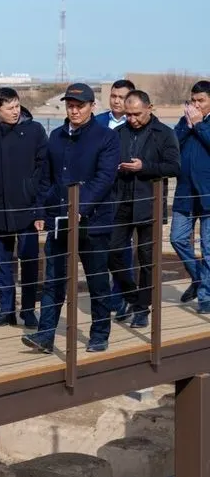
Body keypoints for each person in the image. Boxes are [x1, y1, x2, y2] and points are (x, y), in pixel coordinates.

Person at [22, 83, 119, 354]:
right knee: (53, 279)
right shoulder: (56, 136)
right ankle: (45, 335)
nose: (74, 111)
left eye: (80, 106)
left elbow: (104, 178)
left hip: (93, 221)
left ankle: (99, 333)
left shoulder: (106, 137)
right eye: (70, 106)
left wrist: (80, 207)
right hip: (59, 220)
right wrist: (40, 211)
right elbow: (46, 178)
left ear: (92, 106)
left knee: (97, 280)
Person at [107, 90, 180, 328]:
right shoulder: (118, 133)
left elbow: (174, 167)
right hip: (121, 203)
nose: (132, 119)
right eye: (128, 114)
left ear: (150, 108)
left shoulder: (164, 133)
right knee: (111, 251)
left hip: (149, 204)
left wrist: (144, 167)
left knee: (147, 259)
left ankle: (142, 309)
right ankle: (132, 295)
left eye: (137, 114)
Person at [0, 87, 46, 329]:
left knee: (29, 261)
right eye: (10, 108)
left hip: (27, 207)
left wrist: (38, 206)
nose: (15, 111)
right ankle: (6, 310)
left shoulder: (35, 131)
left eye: (17, 106)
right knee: (2, 263)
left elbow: (43, 171)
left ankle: (28, 311)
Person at [95, 78, 137, 322]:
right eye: (113, 96)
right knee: (101, 248)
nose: (117, 101)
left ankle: (121, 296)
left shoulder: (135, 123)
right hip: (99, 195)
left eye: (122, 97)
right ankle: (108, 297)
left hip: (125, 194)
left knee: (121, 248)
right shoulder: (98, 121)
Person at [172, 80, 210, 312]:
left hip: (208, 194)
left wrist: (199, 125)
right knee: (177, 238)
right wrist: (187, 126)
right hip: (185, 193)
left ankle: (206, 297)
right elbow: (171, 146)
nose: (195, 105)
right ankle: (198, 278)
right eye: (192, 100)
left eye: (201, 101)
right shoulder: (184, 122)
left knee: (208, 248)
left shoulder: (203, 124)